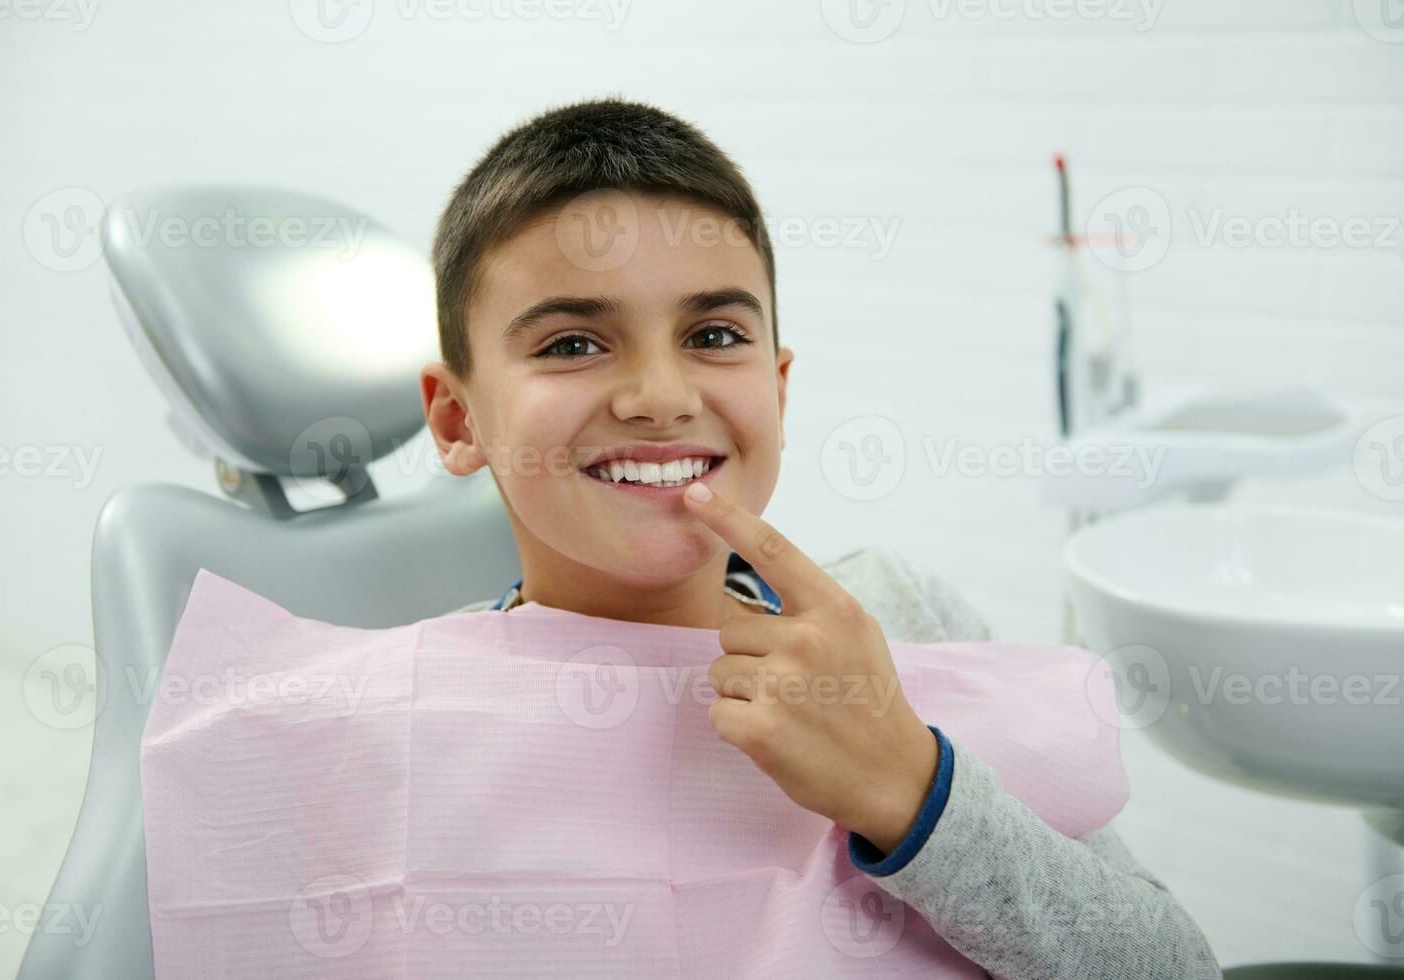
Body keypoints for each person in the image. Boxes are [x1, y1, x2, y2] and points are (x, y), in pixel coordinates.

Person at [418, 96, 1222, 979]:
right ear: (458, 418)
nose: (660, 395)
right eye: (573, 344)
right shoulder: (422, 718)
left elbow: (1176, 969)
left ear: (779, 386)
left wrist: (912, 787)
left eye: (714, 335)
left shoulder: (900, 613)